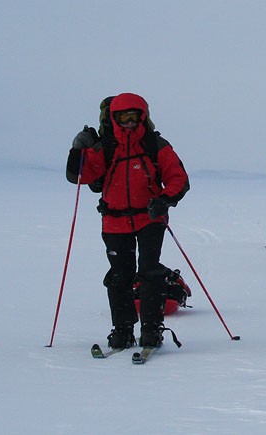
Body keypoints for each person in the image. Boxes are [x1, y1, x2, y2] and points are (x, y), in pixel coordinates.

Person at [65, 92, 190, 349]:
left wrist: (164, 200)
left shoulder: (156, 145)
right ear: (114, 118)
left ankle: (151, 329)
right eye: (123, 117)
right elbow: (79, 176)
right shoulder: (106, 147)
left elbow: (178, 179)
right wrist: (78, 150)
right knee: (120, 276)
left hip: (150, 219)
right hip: (114, 221)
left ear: (143, 116)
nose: (129, 122)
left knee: (149, 272)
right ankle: (122, 330)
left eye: (134, 116)